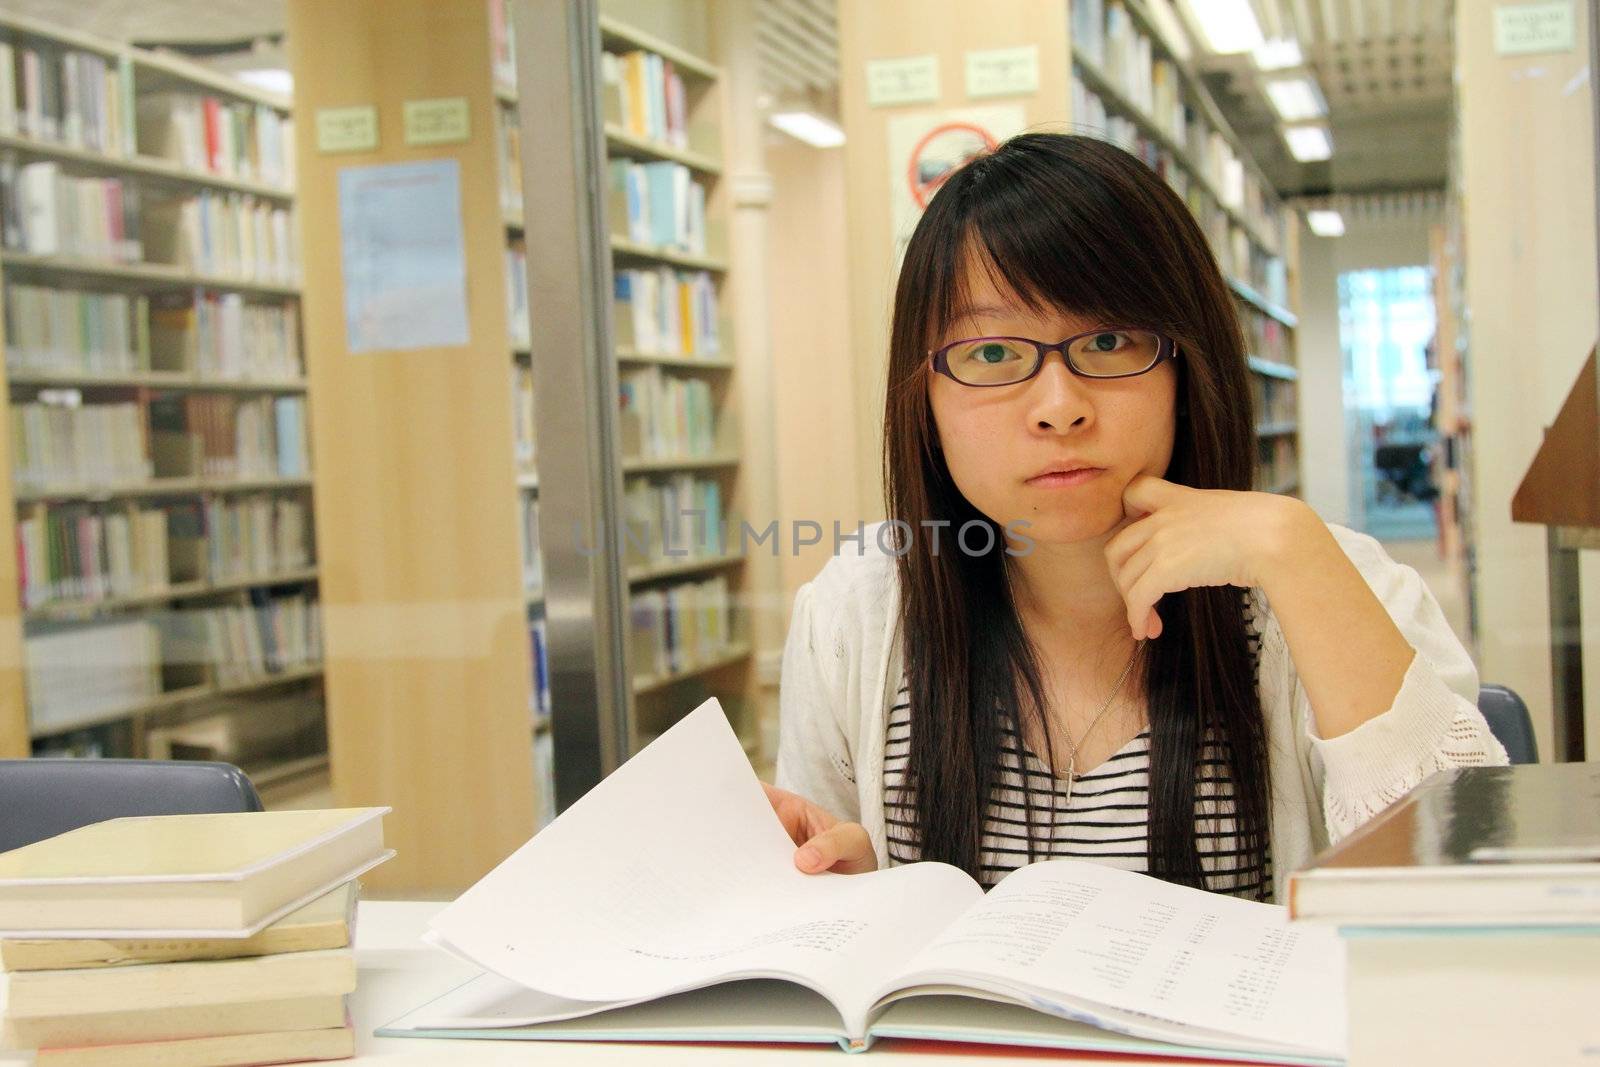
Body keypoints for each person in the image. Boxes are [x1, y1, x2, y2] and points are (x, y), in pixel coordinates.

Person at [764, 132, 1506, 903]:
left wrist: (1292, 549)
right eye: (991, 354)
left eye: (1110, 340)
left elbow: (1468, 905)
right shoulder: (855, 619)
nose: (1059, 408)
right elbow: (831, 946)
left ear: (1191, 363)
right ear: (924, 397)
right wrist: (851, 896)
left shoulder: (1324, 584)